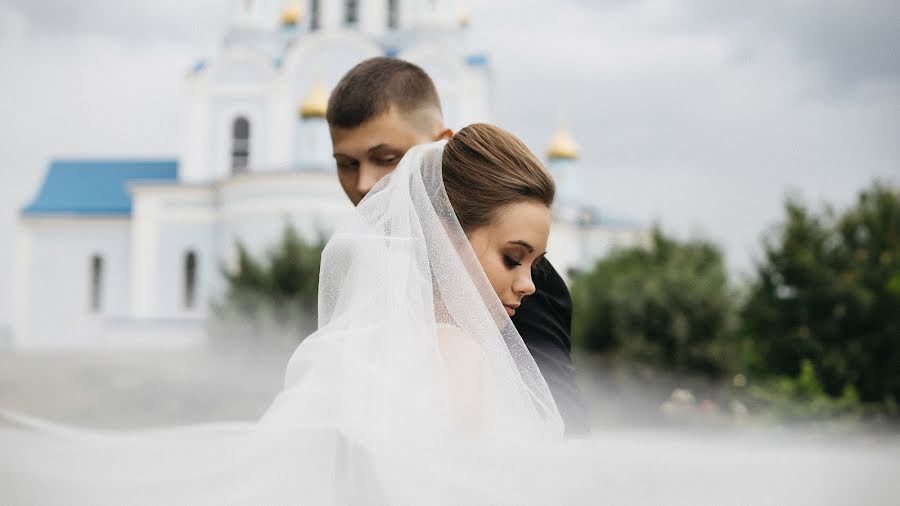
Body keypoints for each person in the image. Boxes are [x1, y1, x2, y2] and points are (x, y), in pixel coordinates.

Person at [0, 123, 598, 504]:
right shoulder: (460, 353)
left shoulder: (363, 343)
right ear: (445, 235)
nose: (526, 286)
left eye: (533, 264)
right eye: (513, 259)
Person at [327, 56, 590, 435]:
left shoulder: (513, 277)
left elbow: (558, 421)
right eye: (346, 164)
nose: (365, 183)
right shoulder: (361, 267)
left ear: (440, 147)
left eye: (387, 159)